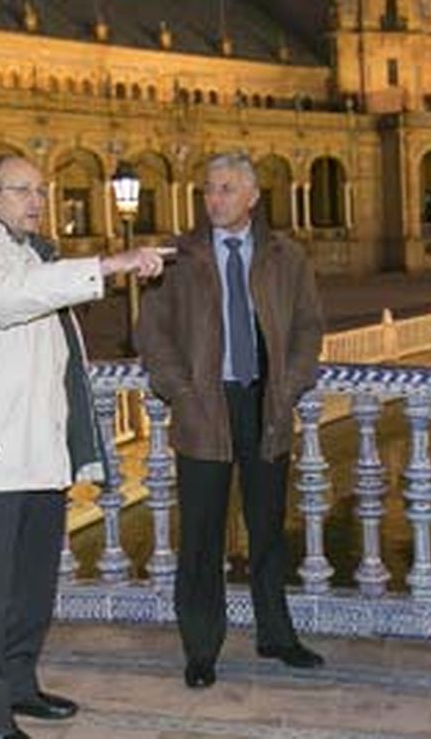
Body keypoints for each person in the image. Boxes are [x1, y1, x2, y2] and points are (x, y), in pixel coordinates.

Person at [0, 153, 166, 739]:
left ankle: (19, 686)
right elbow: (6, 299)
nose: (36, 201)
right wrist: (108, 264)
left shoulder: (32, 258)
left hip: (40, 456)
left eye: (40, 190)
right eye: (20, 191)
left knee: (32, 588)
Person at [136, 151, 326, 690]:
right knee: (200, 536)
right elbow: (152, 332)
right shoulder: (179, 257)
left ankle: (276, 635)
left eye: (224, 189)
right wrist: (182, 390)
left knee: (267, 528)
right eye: (208, 190)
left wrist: (289, 384)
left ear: (251, 197)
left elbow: (310, 325)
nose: (213, 200)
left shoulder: (288, 257)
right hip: (203, 408)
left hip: (266, 405)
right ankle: (200, 648)